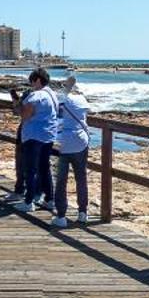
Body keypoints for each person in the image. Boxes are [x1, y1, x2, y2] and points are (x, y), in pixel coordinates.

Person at [13, 68, 60, 212]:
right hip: (48, 135)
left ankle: (28, 202)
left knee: (31, 169)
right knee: (45, 167)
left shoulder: (36, 96)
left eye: (32, 81)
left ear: (38, 80)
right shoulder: (52, 95)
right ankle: (50, 199)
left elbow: (25, 115)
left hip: (33, 136)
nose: (31, 85)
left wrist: (17, 104)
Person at [50, 76, 92, 227]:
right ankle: (83, 212)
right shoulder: (82, 100)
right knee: (81, 178)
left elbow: (57, 110)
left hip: (63, 142)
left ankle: (61, 216)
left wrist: (66, 87)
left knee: (61, 180)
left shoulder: (63, 99)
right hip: (81, 141)